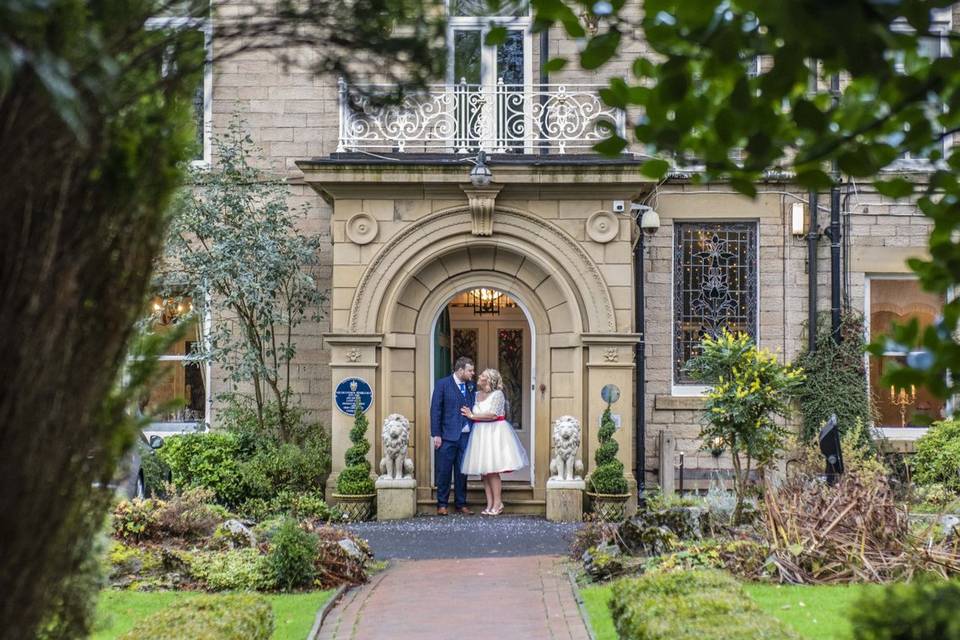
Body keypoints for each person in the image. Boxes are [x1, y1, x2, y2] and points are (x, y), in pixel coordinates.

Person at [460, 368, 529, 515]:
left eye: (483, 375)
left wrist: (472, 416)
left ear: (489, 380)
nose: (479, 376)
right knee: (484, 472)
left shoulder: (498, 395)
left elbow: (493, 414)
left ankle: (498, 503)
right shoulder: (476, 394)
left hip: (494, 433)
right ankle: (490, 503)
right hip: (480, 434)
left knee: (492, 471)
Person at [430, 356, 476, 516]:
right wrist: (436, 434)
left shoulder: (471, 386)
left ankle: (461, 503)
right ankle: (442, 504)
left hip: (466, 435)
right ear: (460, 370)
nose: (473, 373)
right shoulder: (442, 384)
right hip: (447, 436)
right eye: (470, 370)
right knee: (444, 471)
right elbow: (436, 410)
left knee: (462, 471)